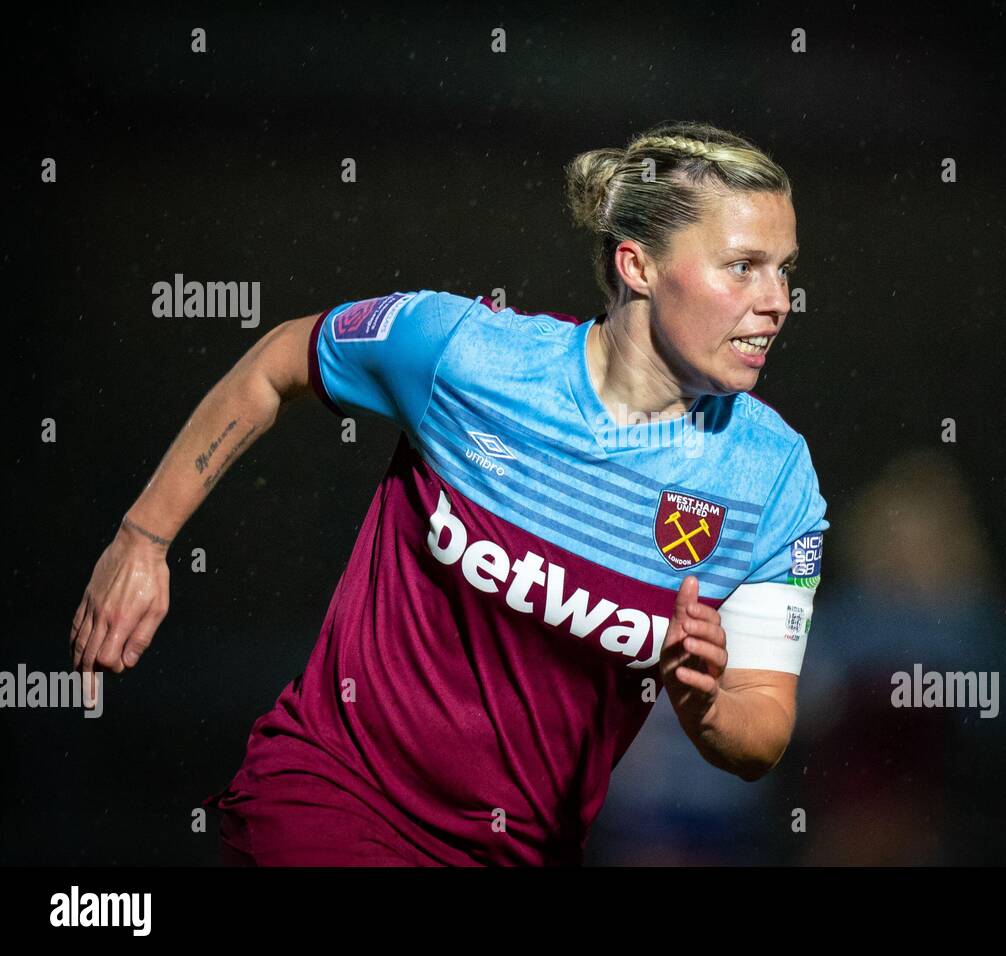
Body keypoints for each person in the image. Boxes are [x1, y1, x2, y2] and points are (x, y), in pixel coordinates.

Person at [69, 120, 829, 865]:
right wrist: (143, 539)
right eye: (743, 266)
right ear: (637, 266)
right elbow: (278, 363)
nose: (778, 301)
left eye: (785, 269)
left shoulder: (774, 479)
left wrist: (706, 708)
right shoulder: (462, 353)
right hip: (332, 795)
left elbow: (761, 728)